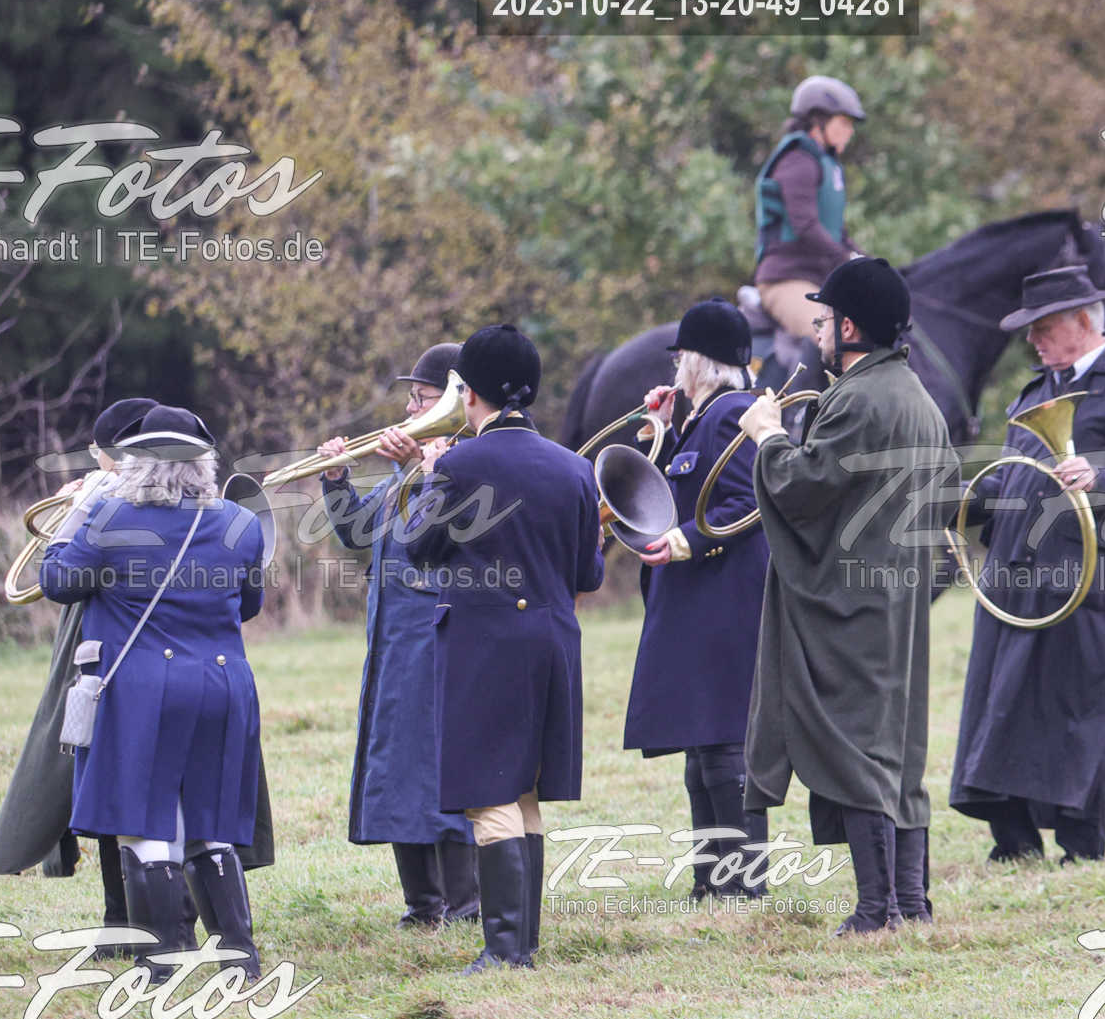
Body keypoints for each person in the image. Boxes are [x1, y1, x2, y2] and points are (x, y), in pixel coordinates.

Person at [0, 400, 276, 955]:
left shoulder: (110, 518)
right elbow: (249, 606)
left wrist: (78, 512)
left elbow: (58, 580)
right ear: (203, 465)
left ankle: (163, 959)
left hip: (142, 693)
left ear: (137, 464)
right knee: (211, 830)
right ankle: (239, 959)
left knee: (145, 831)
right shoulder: (241, 524)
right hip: (223, 688)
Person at [735, 258, 957, 934]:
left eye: (825, 321)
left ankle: (876, 908)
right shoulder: (919, 398)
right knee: (898, 748)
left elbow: (805, 486)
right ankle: (911, 903)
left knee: (854, 745)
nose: (818, 332)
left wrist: (768, 435)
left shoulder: (858, 399)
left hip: (851, 605)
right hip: (897, 603)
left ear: (852, 327)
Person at [950, 265, 1105, 864]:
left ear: (1083, 322)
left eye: (1043, 327)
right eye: (1030, 328)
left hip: (1088, 584)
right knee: (999, 705)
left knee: (1072, 710)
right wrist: (955, 501)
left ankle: (1081, 847)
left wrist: (1101, 476)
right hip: (1013, 579)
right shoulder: (1034, 393)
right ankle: (1014, 842)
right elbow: (1013, 483)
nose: (1032, 339)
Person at [403, 325, 604, 973]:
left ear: (470, 394)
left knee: (490, 793)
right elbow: (589, 574)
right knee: (524, 793)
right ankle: (524, 942)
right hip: (553, 641)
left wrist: (428, 477)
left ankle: (504, 949)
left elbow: (418, 550)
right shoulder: (575, 467)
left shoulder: (458, 465)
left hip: (485, 643)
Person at [317, 344, 480, 929]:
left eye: (423, 398)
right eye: (411, 398)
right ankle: (422, 904)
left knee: (436, 766)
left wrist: (423, 470)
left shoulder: (465, 465)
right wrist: (336, 480)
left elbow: (442, 538)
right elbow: (357, 535)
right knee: (395, 766)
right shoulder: (403, 473)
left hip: (438, 633)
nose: (410, 408)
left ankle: (465, 903)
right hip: (392, 639)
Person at [623, 298, 771, 900]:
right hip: (700, 604)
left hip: (725, 605)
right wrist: (661, 429)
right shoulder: (700, 418)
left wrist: (686, 540)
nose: (675, 366)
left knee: (725, 749)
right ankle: (711, 881)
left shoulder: (732, 414)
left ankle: (743, 883)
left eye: (681, 355)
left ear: (700, 361)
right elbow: (677, 492)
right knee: (702, 748)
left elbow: (748, 503)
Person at [751, 76, 866, 343]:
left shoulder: (828, 164)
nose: (850, 131)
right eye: (844, 123)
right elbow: (804, 225)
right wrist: (846, 258)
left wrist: (871, 264)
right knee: (835, 337)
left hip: (819, 281)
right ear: (818, 122)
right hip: (786, 281)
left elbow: (838, 233)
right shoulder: (797, 161)